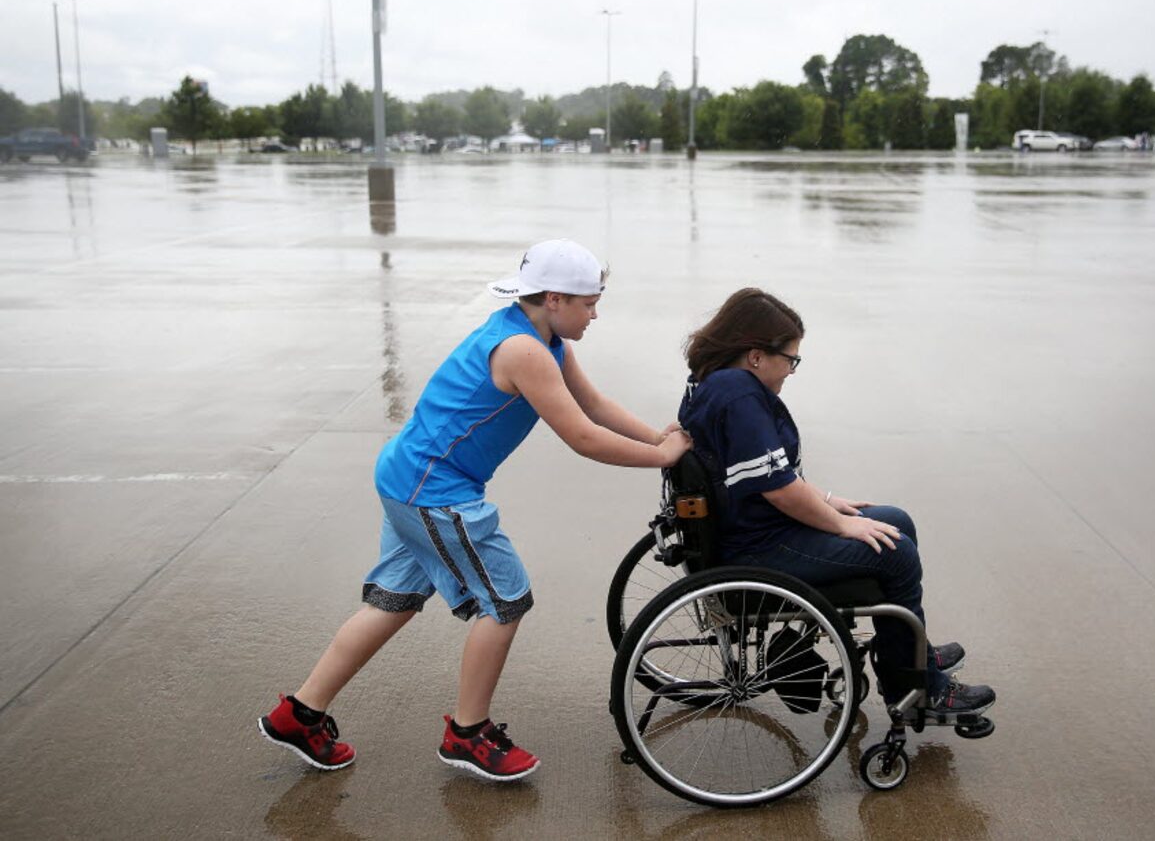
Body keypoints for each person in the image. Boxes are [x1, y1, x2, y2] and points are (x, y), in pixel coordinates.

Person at [258, 239, 691, 780]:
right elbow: (582, 436)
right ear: (555, 298)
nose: (596, 313)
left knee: (391, 602)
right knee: (506, 599)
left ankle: (299, 715)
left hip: (406, 478)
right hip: (436, 491)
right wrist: (660, 457)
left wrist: (658, 437)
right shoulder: (523, 351)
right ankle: (468, 734)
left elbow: (593, 404)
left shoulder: (541, 335)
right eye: (590, 302)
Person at [677, 287, 995, 714]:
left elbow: (767, 474)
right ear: (756, 355)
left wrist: (828, 500)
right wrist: (840, 524)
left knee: (895, 520)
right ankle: (915, 687)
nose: (792, 370)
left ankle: (907, 650)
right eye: (790, 359)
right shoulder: (739, 396)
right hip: (758, 544)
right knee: (895, 552)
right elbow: (777, 488)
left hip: (751, 525)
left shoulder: (715, 383)